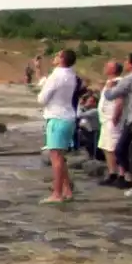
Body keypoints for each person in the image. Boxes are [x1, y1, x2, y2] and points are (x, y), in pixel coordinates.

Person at [37, 50, 81, 203]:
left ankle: (57, 194)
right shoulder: (72, 75)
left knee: (55, 158)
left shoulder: (56, 76)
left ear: (62, 59)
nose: (54, 57)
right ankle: (67, 189)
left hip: (57, 117)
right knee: (61, 157)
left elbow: (42, 99)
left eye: (57, 55)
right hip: (69, 117)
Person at [100, 52, 132, 202]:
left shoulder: (131, 79)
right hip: (131, 120)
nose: (124, 62)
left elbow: (111, 95)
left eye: (127, 60)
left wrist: (108, 87)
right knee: (125, 151)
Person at [96, 62, 127, 187]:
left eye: (107, 66)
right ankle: (112, 172)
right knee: (106, 147)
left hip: (113, 120)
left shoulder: (119, 82)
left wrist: (116, 116)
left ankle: (121, 174)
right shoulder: (111, 82)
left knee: (114, 147)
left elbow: (119, 101)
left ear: (113, 69)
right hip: (105, 120)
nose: (104, 68)